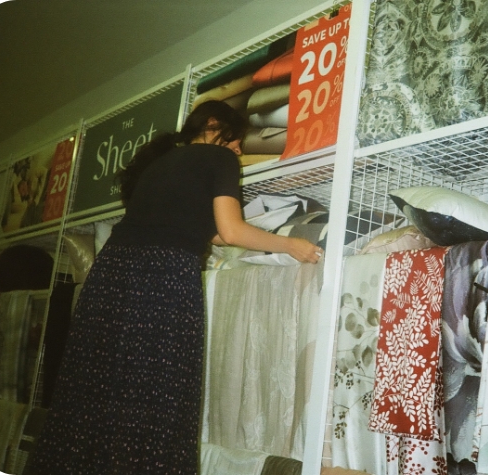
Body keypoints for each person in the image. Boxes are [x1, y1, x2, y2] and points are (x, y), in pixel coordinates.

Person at [27, 100, 323, 475]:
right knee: (159, 391)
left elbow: (213, 233)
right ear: (213, 126)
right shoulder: (218, 160)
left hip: (111, 274)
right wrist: (291, 245)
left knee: (94, 389)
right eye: (234, 142)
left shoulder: (156, 164)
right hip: (164, 274)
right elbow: (231, 230)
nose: (236, 152)